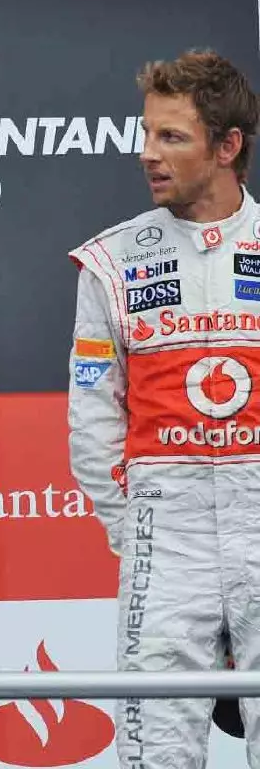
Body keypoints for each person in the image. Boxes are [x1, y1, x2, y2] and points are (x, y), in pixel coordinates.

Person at [67, 48, 260, 767]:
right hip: (165, 533)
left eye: (171, 137)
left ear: (228, 146)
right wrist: (140, 528)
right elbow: (92, 421)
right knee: (155, 750)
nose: (147, 154)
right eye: (146, 133)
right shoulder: (112, 262)